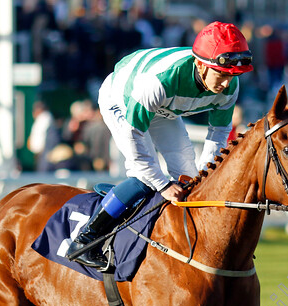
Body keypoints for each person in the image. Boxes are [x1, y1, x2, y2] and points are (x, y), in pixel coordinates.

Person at [68, 21, 253, 269]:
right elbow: (136, 144)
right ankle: (85, 239)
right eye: (222, 75)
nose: (227, 85)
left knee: (190, 175)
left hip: (163, 109)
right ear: (200, 64)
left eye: (233, 76)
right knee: (144, 175)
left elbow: (218, 134)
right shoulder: (160, 82)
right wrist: (163, 185)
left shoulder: (229, 85)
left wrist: (206, 176)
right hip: (121, 97)